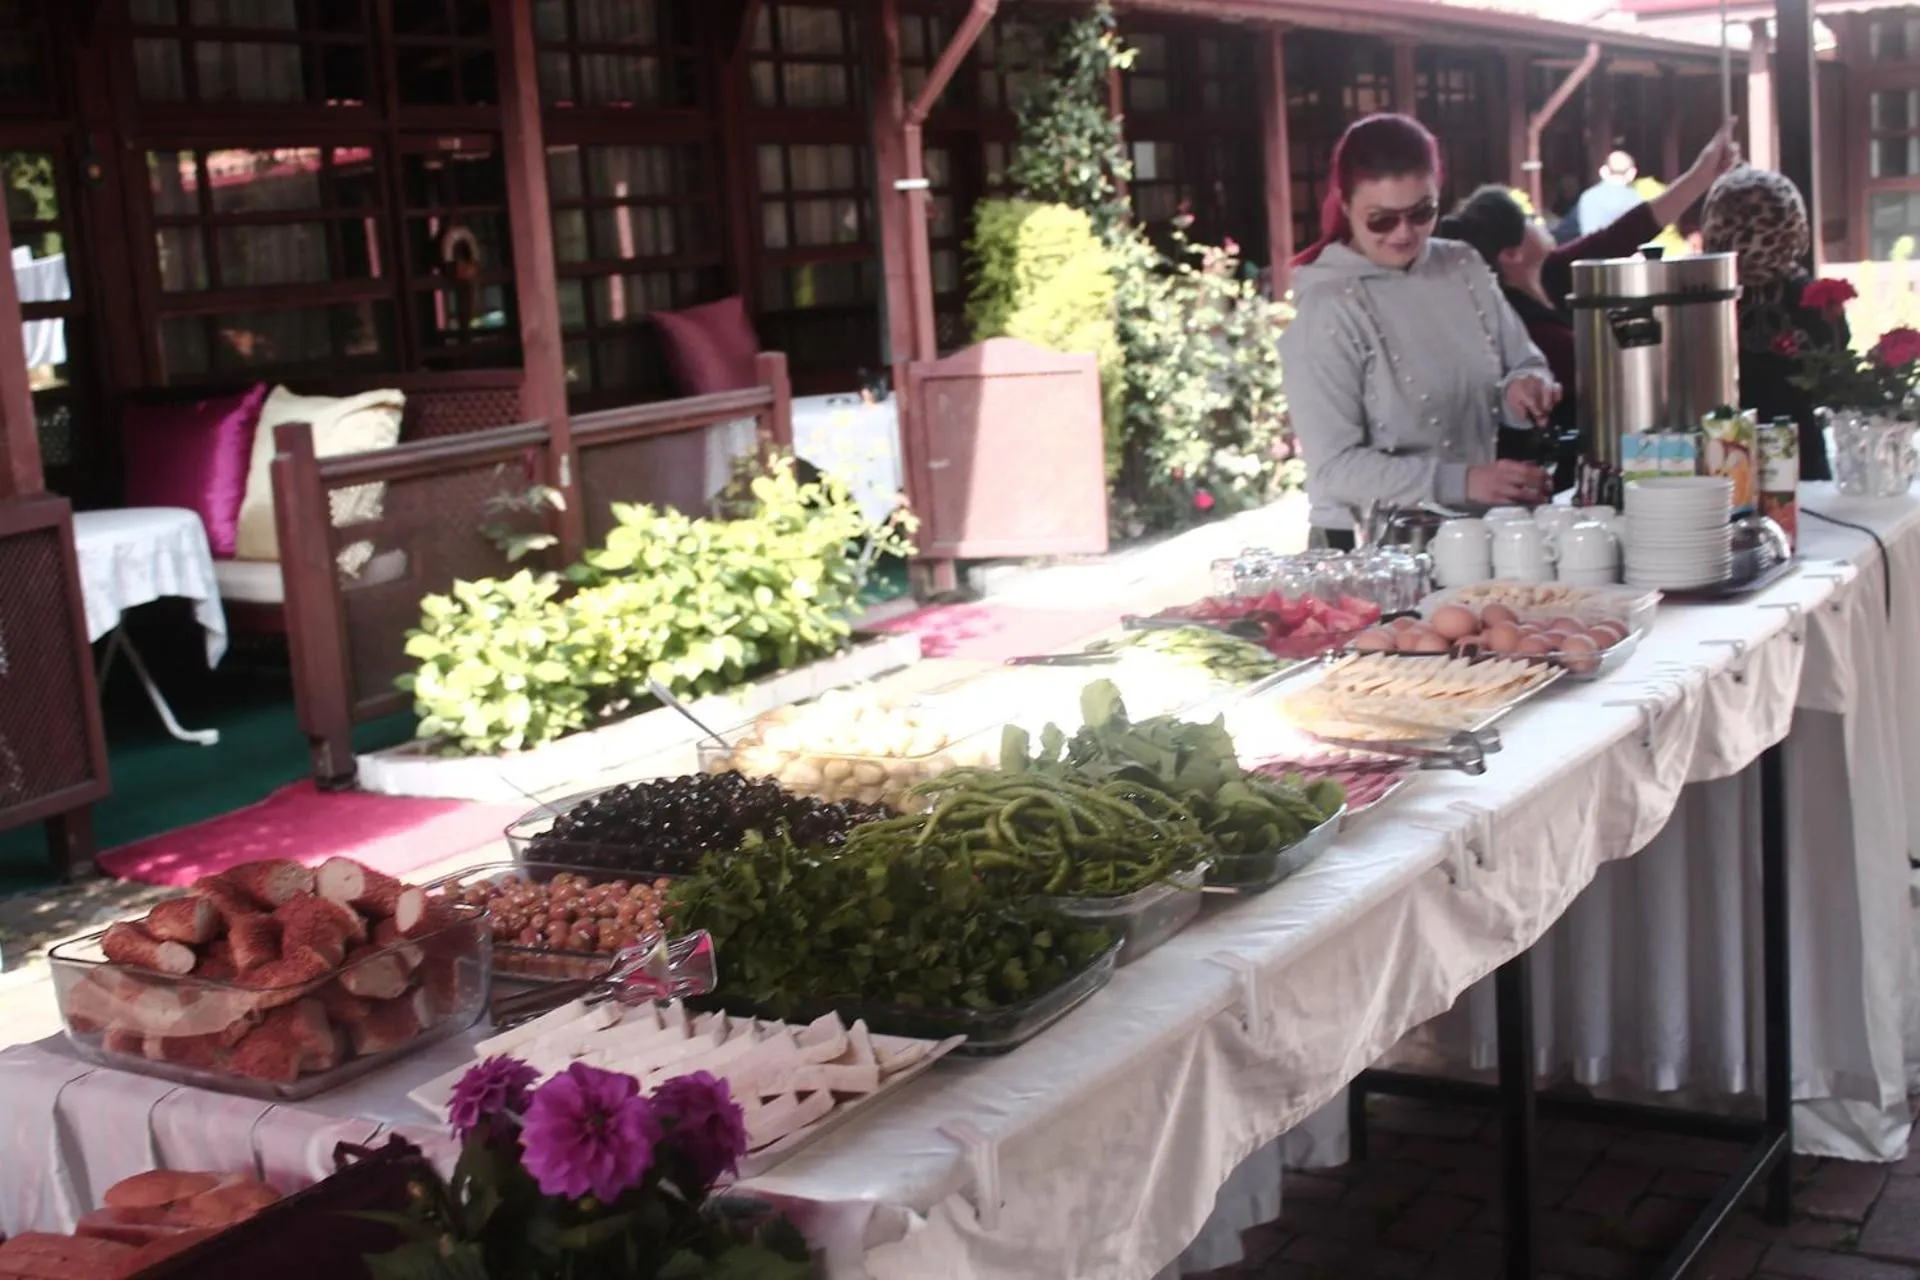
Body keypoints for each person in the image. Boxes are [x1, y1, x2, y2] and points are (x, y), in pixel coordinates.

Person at [1282, 114, 1560, 549]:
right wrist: (1465, 481)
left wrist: (1525, 389)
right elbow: (1333, 469)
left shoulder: (1461, 265)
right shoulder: (1329, 302)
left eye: (1422, 212)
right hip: (1367, 548)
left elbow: (1523, 362)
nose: (1405, 232)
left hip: (1470, 536)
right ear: (1344, 202)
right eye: (1381, 220)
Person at [1438, 121, 1740, 443]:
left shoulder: (1551, 272)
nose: (1539, 221)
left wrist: (1702, 175)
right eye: (1527, 221)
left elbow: (1623, 234)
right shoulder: (1519, 324)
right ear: (1512, 254)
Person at [1700, 164, 1839, 481]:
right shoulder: (1815, 297)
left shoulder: (1701, 300)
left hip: (1721, 457)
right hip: (1802, 460)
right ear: (1794, 228)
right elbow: (1834, 377)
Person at [1573, 149, 1644, 237]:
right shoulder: (1636, 199)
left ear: (1603, 171)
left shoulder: (1589, 197)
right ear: (1632, 173)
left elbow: (1588, 235)